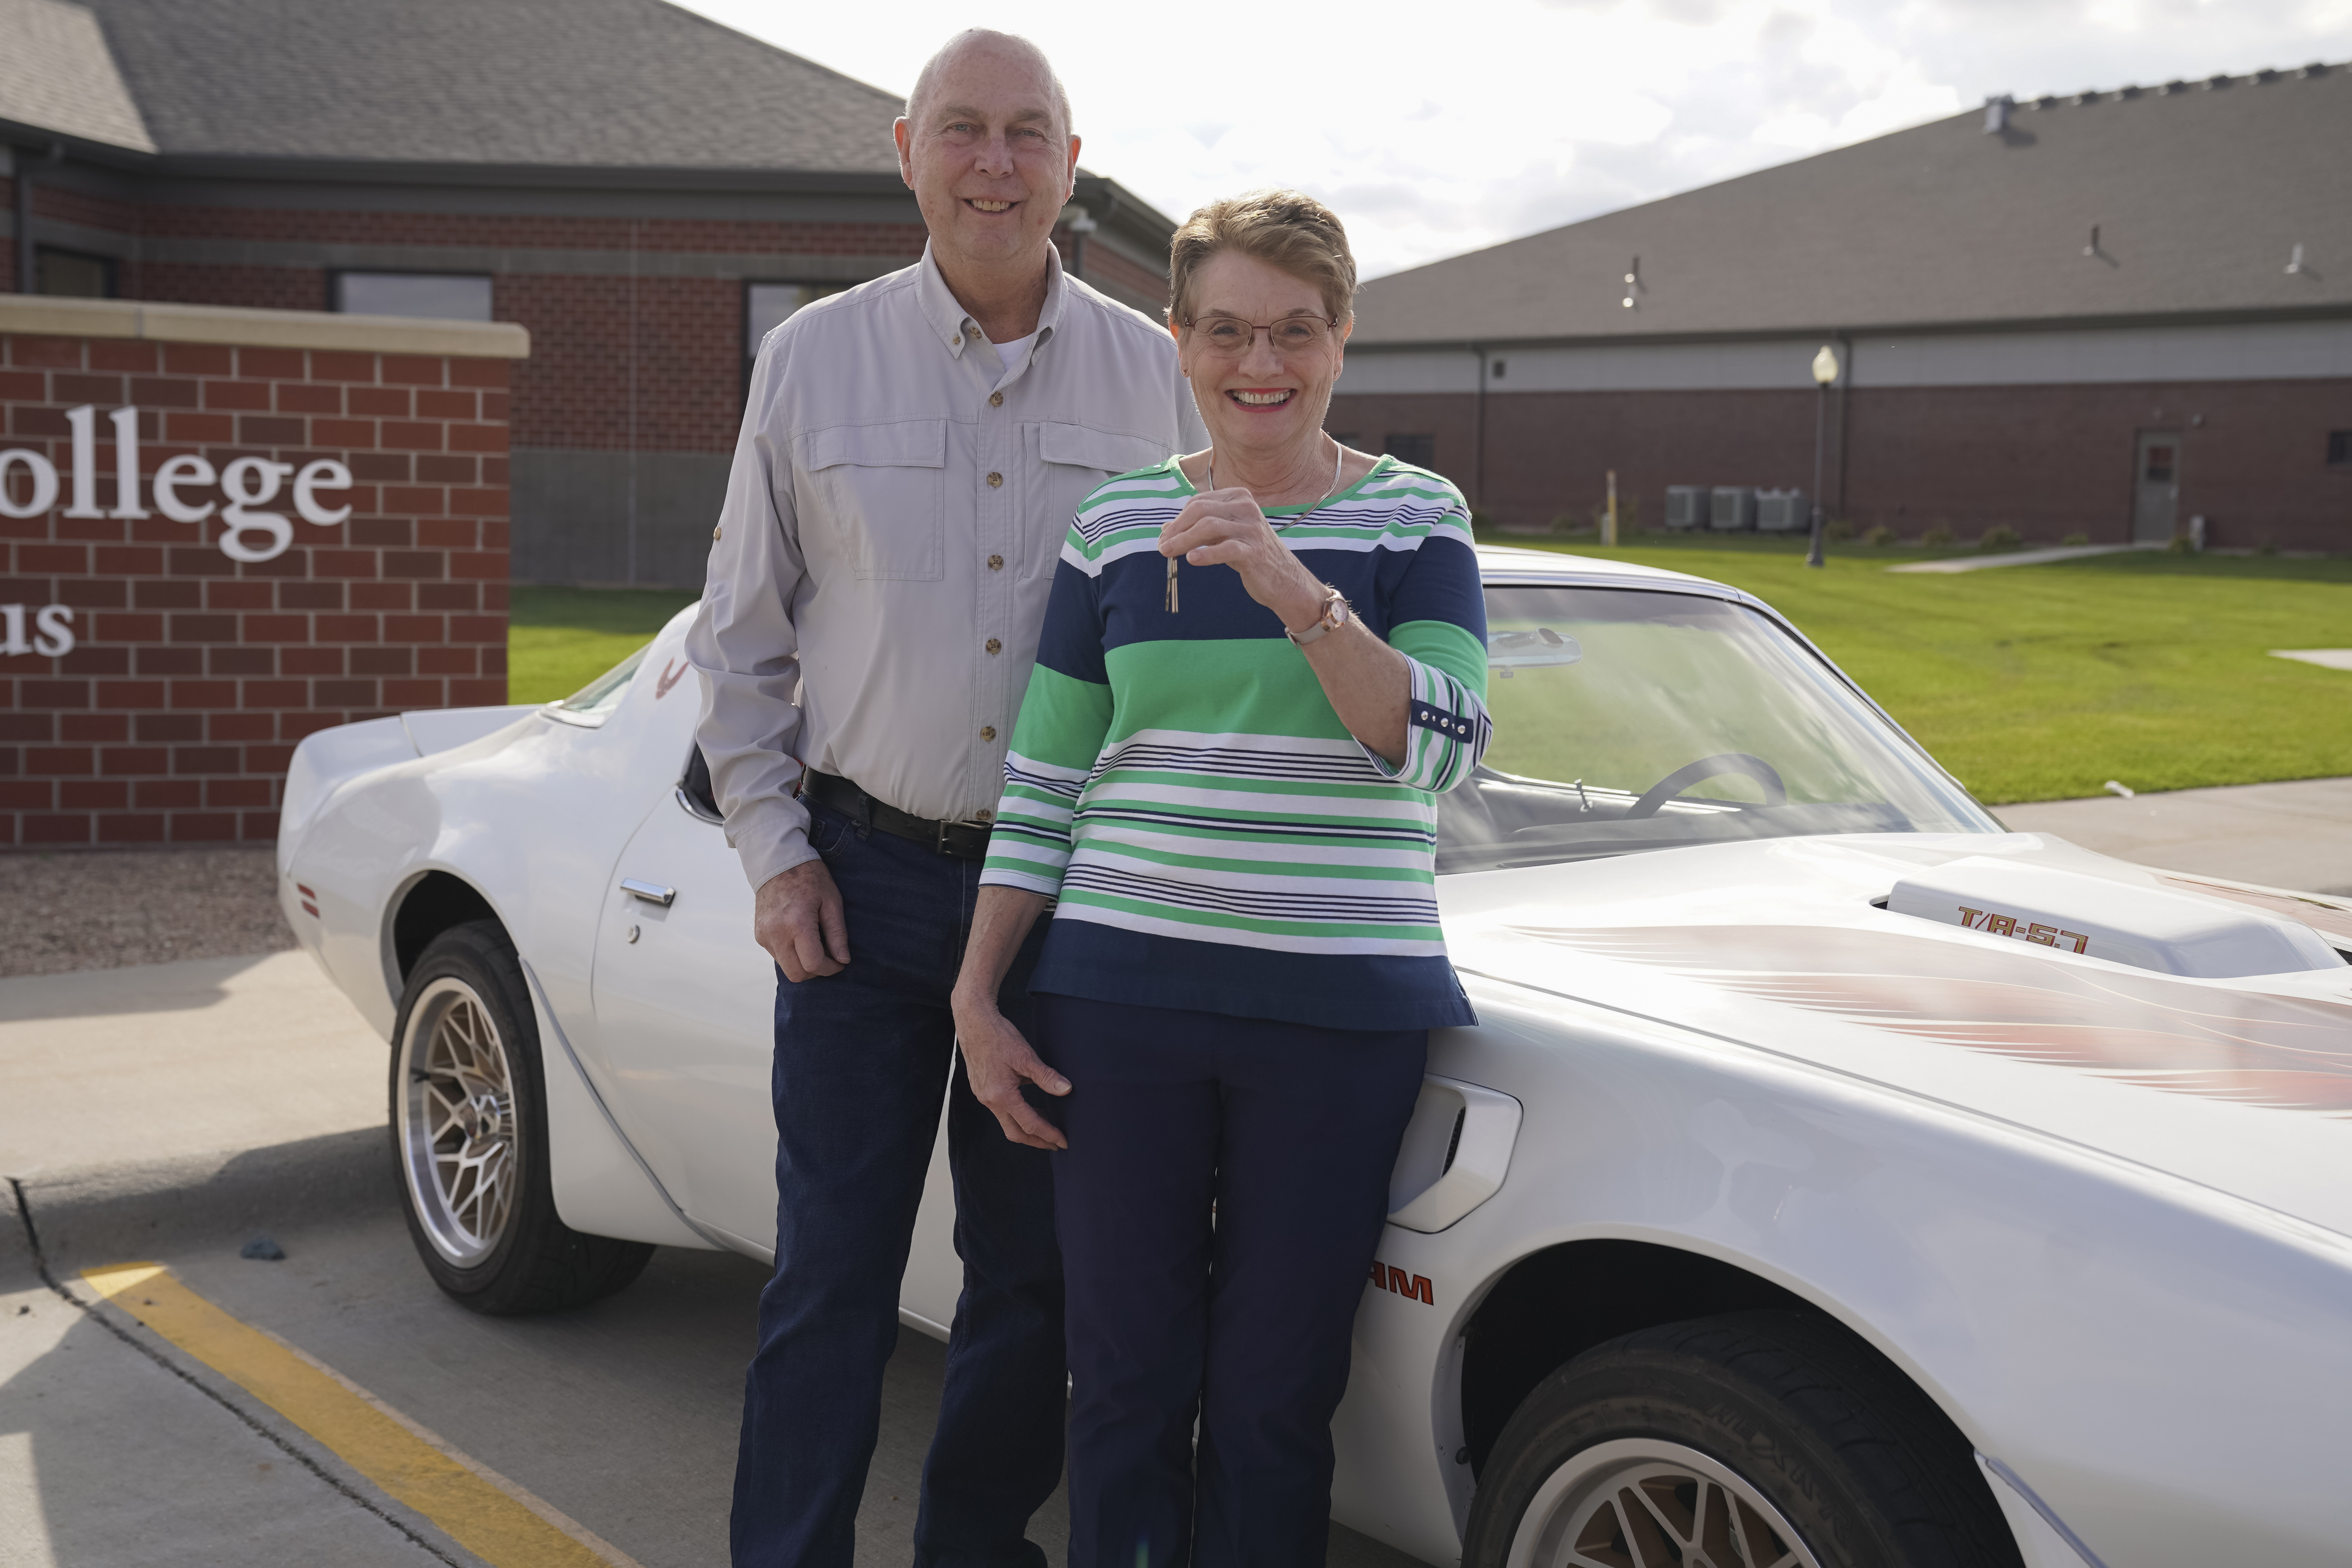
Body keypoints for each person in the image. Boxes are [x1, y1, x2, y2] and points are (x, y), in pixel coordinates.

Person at [686, 29, 1206, 1568]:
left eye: (1027, 133)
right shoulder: (813, 359)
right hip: (855, 886)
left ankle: (974, 1550)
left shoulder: (1152, 378)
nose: (996, 162)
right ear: (906, 149)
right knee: (831, 1276)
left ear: (1071, 161)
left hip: (1063, 906)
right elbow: (741, 635)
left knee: (1030, 1281)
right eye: (964, 131)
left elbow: (1189, 644)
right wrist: (777, 860)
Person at [950, 189, 1492, 1567]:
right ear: (1182, 344)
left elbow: (1443, 749)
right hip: (1119, 1008)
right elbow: (1048, 780)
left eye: (1297, 331)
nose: (1265, 363)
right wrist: (978, 994)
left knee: (1273, 1395)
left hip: (1339, 1018)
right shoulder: (1114, 526)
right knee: (1124, 1381)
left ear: (1343, 340)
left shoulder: (1419, 517)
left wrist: (1293, 585)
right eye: (1231, 331)